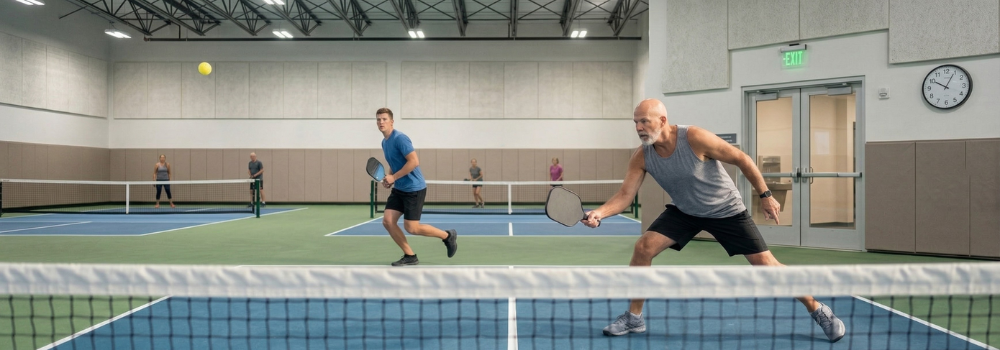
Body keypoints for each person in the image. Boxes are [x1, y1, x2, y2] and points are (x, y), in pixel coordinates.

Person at [583, 99, 845, 342]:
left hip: (725, 210)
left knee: (766, 265)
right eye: (636, 123)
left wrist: (765, 195)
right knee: (643, 248)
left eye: (644, 121)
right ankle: (634, 318)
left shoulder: (693, 137)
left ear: (662, 120)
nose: (639, 128)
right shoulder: (642, 156)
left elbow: (742, 158)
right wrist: (600, 213)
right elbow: (625, 195)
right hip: (685, 211)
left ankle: (818, 309)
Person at [376, 107, 458, 266]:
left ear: (392, 121)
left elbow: (414, 161)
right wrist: (389, 177)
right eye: (378, 119)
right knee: (387, 221)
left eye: (384, 119)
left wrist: (394, 177)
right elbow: (394, 163)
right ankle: (410, 255)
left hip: (414, 188)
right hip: (399, 188)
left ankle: (447, 236)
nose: (381, 122)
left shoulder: (400, 138)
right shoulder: (384, 142)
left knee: (412, 228)